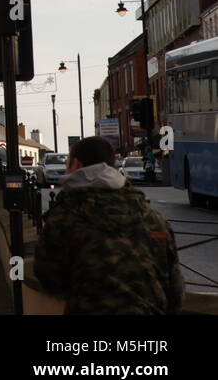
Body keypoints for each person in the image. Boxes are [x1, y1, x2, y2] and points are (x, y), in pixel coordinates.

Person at [35, 135, 185, 315]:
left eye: (68, 165)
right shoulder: (154, 219)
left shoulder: (65, 218)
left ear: (76, 165)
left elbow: (49, 277)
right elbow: (175, 289)